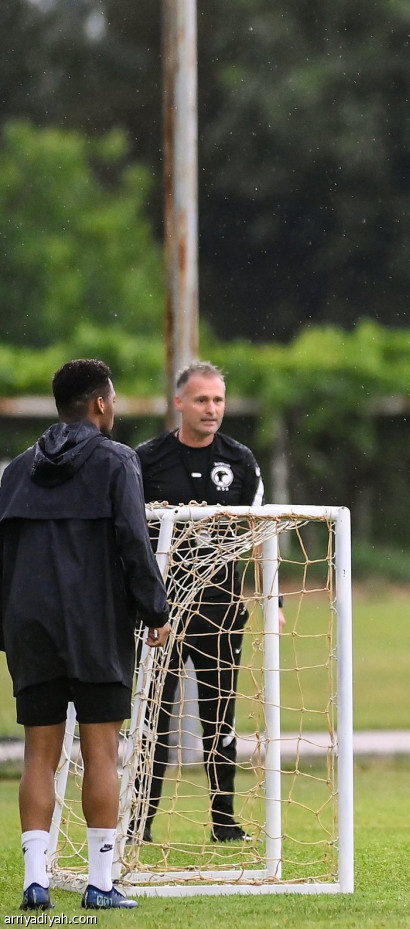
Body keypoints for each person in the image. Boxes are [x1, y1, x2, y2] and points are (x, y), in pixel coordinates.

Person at [0, 359, 171, 911]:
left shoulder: (18, 470)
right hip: (96, 625)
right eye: (113, 399)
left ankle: (35, 882)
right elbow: (132, 542)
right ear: (100, 404)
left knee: (38, 756)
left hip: (30, 626)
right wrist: (155, 611)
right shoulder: (118, 461)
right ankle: (100, 884)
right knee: (101, 753)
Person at [134, 362, 264, 843]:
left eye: (218, 400)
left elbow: (254, 535)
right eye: (202, 400)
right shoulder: (146, 461)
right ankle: (139, 823)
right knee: (155, 720)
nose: (212, 409)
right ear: (180, 403)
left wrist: (262, 594)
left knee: (219, 717)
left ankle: (225, 823)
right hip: (161, 615)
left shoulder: (241, 461)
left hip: (221, 609)